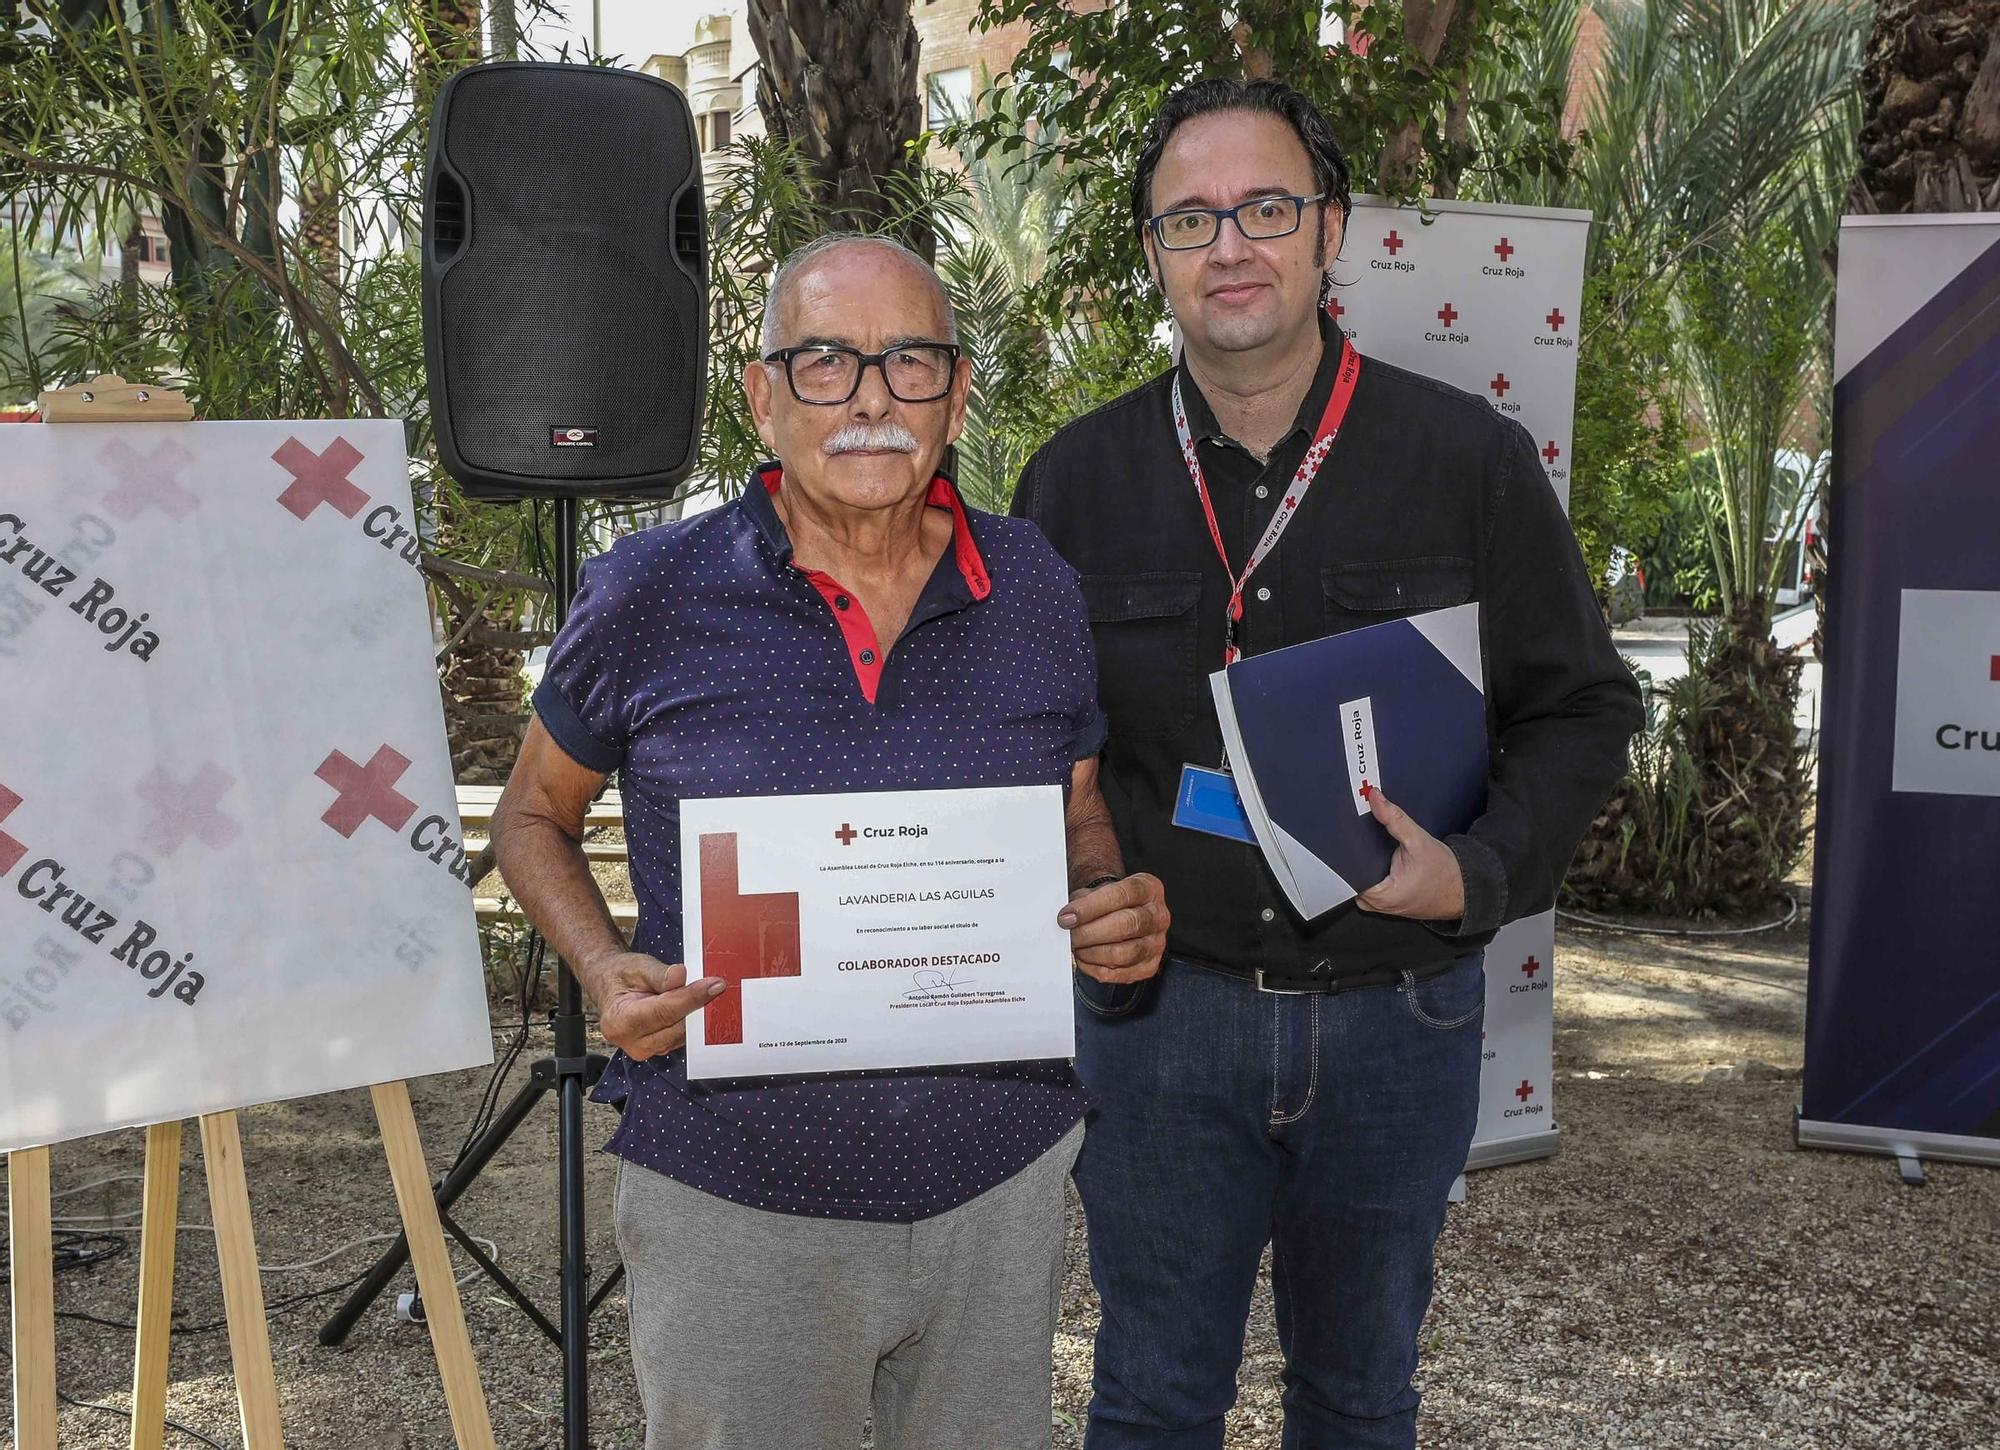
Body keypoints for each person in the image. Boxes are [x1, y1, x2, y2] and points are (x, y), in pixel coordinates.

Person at [1012, 79, 1643, 1449]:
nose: (1229, 244)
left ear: (1331, 229)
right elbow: (1034, 743)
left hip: (1394, 1019)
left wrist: (1475, 872)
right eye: (1191, 217)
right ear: (1152, 255)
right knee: (1152, 1396)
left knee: (1360, 1398)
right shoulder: (1071, 483)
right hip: (1160, 1024)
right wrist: (1087, 870)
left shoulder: (1465, 460)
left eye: (1266, 208)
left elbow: (1585, 705)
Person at [491, 232, 1169, 1450]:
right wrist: (601, 967)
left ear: (957, 394)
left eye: (909, 362)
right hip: (733, 1190)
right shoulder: (648, 590)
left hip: (995, 1180)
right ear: (759, 394)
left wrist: (1107, 897)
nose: (868, 397)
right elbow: (531, 812)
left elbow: (1075, 811)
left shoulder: (1035, 586)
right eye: (823, 361)